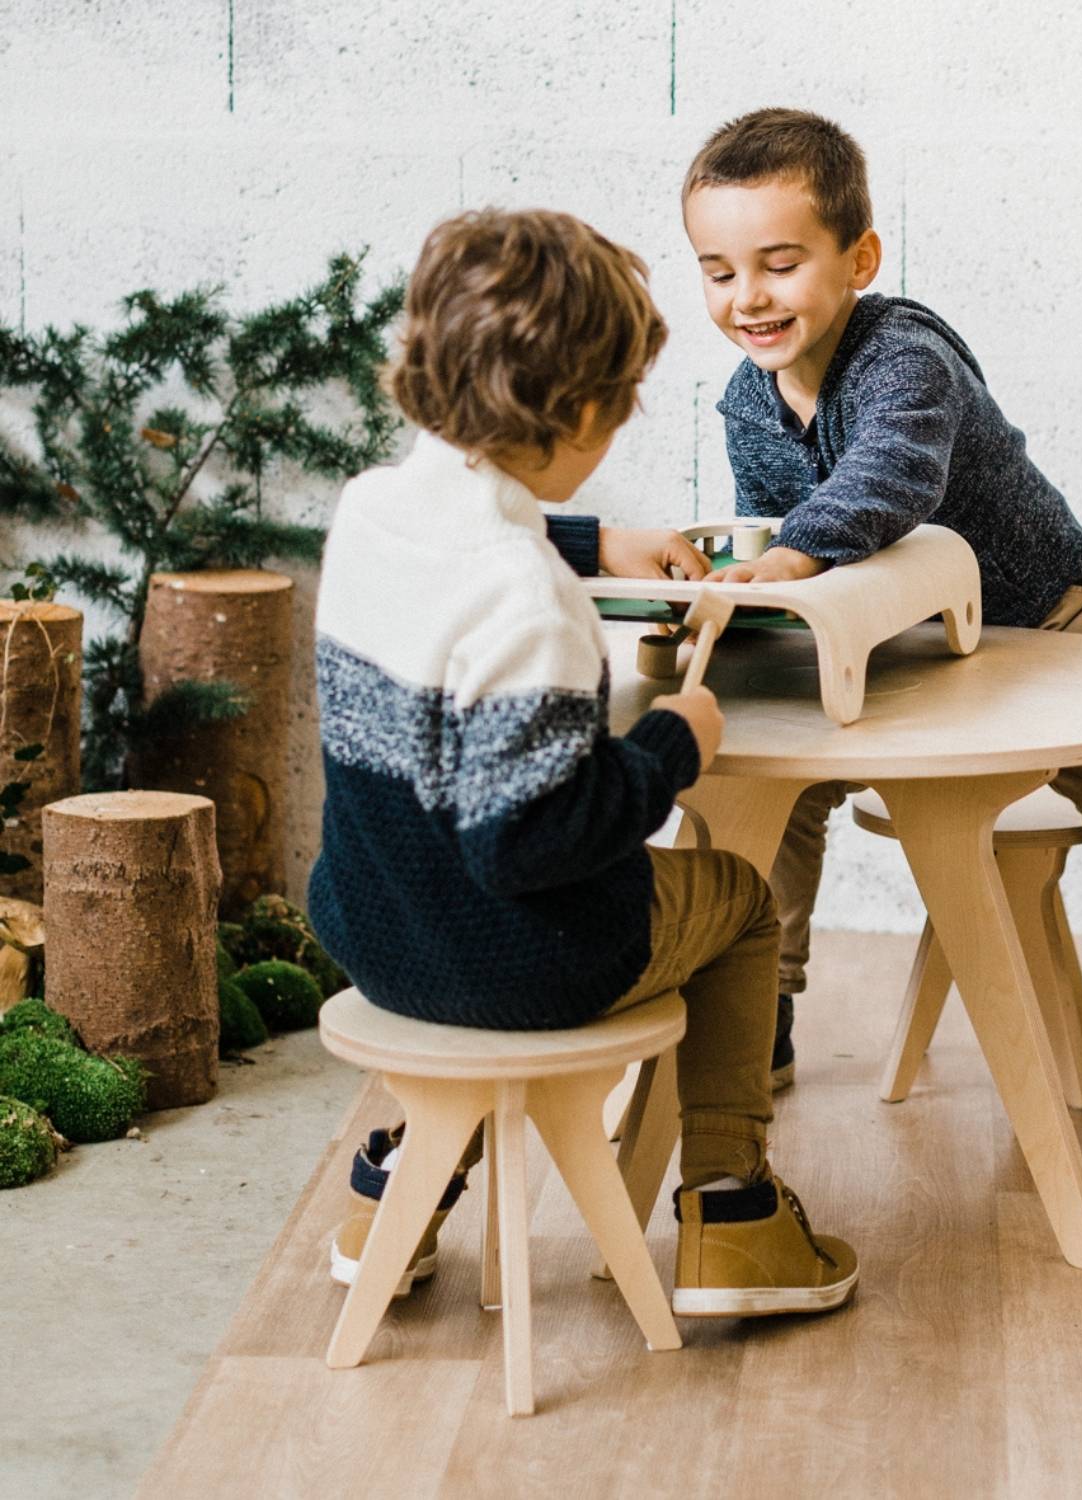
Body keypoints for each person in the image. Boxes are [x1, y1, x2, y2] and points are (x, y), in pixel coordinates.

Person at [309, 206, 857, 1316]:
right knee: (744, 904)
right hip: (515, 960)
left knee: (444, 893)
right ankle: (733, 1214)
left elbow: (466, 544)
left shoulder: (371, 514)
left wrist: (595, 539)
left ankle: (387, 1195)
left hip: (372, 929)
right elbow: (533, 839)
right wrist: (671, 746)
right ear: (577, 414)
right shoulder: (533, 608)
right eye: (619, 409)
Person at [682, 108, 1082, 1115]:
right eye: (717, 271)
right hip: (904, 636)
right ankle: (765, 997)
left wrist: (794, 553)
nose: (747, 297)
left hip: (1042, 612)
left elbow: (890, 479)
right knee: (779, 790)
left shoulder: (902, 355)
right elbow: (774, 541)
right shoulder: (746, 405)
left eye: (780, 264)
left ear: (859, 258)